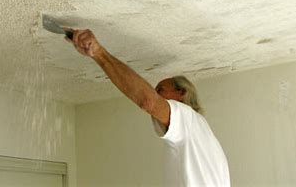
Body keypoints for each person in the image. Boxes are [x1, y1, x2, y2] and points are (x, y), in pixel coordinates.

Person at [66, 29, 230, 187]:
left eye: (160, 91)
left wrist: (98, 52)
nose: (156, 95)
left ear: (181, 93)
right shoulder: (201, 131)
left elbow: (149, 102)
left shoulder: (187, 118)